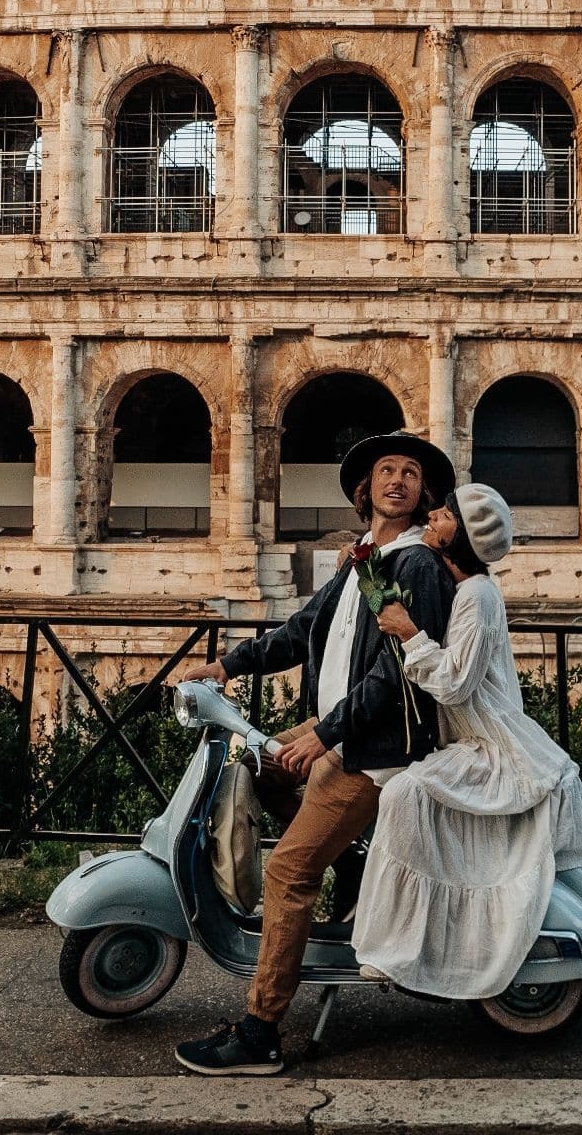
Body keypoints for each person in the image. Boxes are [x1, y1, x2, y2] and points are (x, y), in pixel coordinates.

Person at [167, 432, 456, 1076]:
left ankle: (261, 1031)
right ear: (366, 489)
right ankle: (355, 864)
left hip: (373, 753)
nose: (398, 480)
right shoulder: (365, 562)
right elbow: (301, 632)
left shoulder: (414, 567)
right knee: (260, 764)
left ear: (423, 493)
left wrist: (324, 737)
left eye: (411, 473)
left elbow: (397, 674)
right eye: (387, 469)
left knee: (288, 874)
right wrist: (223, 666)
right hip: (339, 734)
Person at [350, 483, 582, 999]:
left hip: (492, 747)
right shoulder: (463, 587)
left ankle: (395, 948)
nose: (435, 515)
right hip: (472, 740)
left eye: (445, 515)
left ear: (461, 537)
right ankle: (407, 934)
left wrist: (407, 632)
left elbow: (454, 682)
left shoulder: (478, 595)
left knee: (405, 795)